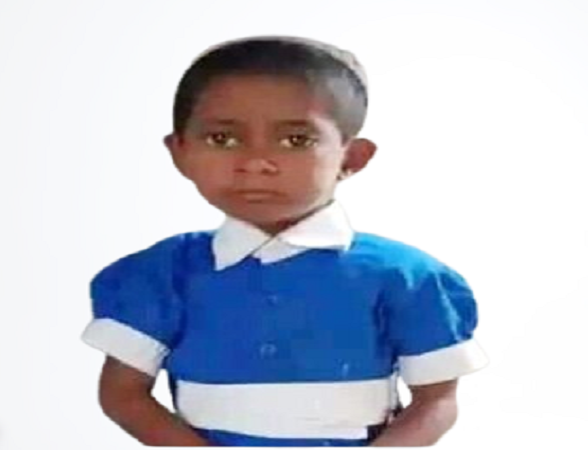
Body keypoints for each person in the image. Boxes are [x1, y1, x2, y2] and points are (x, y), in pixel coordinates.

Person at [81, 35, 489, 447]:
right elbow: (123, 396)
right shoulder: (160, 274)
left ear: (352, 157)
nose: (255, 163)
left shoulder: (406, 277)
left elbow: (436, 402)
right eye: (223, 139)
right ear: (180, 152)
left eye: (297, 140)